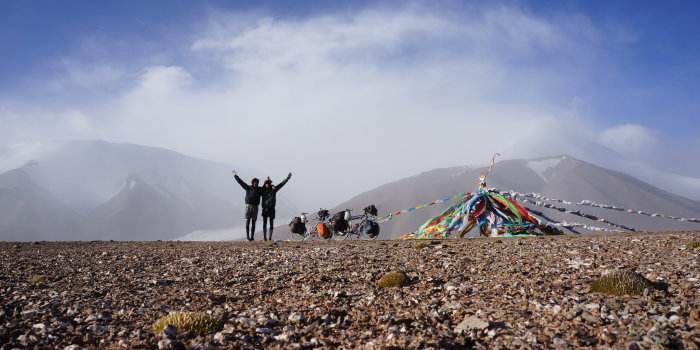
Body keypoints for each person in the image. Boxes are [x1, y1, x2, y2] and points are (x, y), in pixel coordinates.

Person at [232, 170, 264, 241]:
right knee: (248, 221)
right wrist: (235, 175)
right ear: (252, 183)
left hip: (255, 207)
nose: (256, 183)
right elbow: (240, 182)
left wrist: (269, 184)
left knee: (253, 222)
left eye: (257, 183)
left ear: (258, 183)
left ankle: (252, 237)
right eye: (254, 182)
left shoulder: (260, 189)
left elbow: (267, 187)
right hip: (248, 206)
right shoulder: (248, 187)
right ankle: (247, 237)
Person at [261, 173, 292, 241]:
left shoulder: (274, 189)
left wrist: (287, 178)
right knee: (264, 223)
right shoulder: (262, 190)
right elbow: (254, 189)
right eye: (266, 183)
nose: (268, 184)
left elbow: (281, 184)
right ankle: (264, 237)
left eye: (269, 183)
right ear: (264, 184)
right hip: (265, 209)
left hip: (271, 208)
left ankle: (269, 238)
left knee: (271, 223)